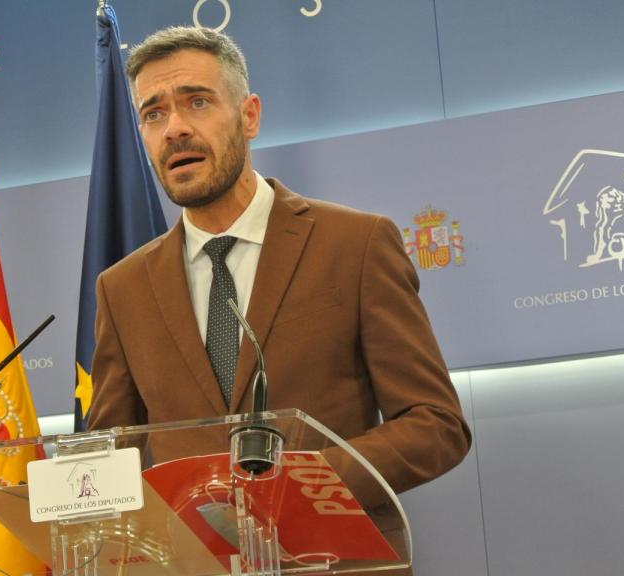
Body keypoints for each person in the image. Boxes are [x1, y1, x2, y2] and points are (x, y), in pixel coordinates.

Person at [87, 27, 470, 563]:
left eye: (197, 102)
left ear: (249, 115)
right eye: (153, 114)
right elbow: (112, 451)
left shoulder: (354, 244)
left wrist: (302, 487)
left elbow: (436, 424)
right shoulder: (122, 288)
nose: (174, 128)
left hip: (333, 563)